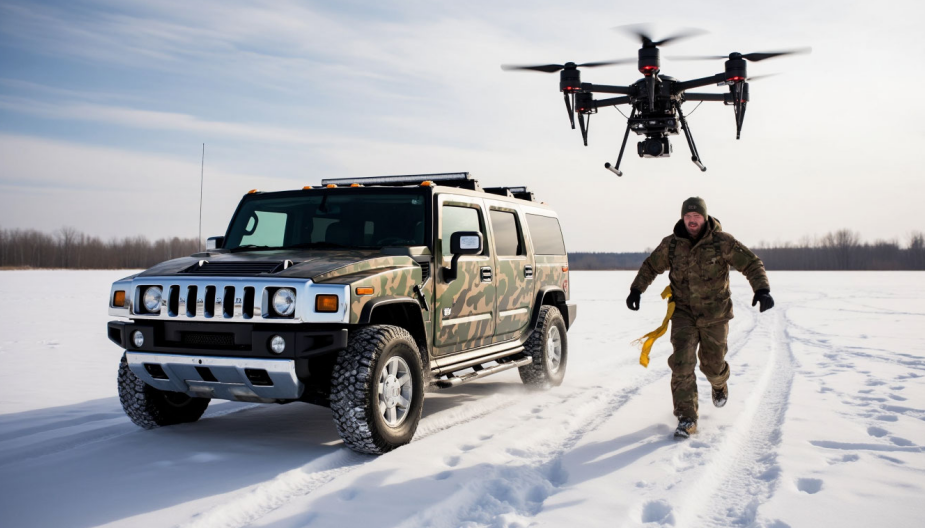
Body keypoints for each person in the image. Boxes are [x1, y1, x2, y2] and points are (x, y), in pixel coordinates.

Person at [626, 197, 774, 438]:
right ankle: (687, 418)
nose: (692, 221)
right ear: (682, 218)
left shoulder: (722, 242)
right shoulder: (672, 244)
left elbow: (751, 263)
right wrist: (636, 289)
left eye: (696, 217)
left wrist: (762, 289)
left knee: (712, 366)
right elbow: (651, 266)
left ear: (704, 218)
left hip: (715, 315)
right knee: (682, 363)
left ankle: (719, 383)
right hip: (683, 313)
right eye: (688, 217)